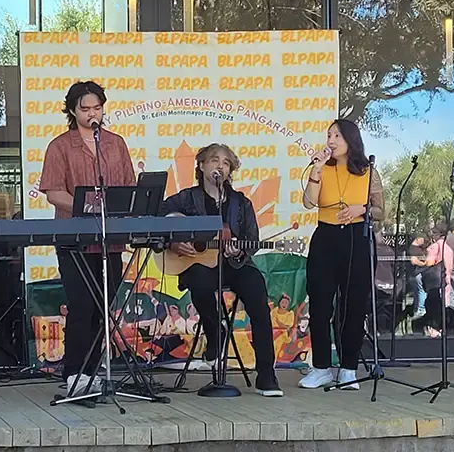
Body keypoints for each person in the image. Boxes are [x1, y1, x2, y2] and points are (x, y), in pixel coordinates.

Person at [159, 143, 282, 397]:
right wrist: (174, 242)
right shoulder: (185, 199)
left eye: (226, 163)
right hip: (199, 266)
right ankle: (216, 331)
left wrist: (238, 251)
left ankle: (266, 374)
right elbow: (157, 218)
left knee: (257, 291)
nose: (220, 166)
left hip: (235, 265)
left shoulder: (241, 203)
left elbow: (252, 239)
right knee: (199, 281)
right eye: (215, 160)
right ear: (202, 165)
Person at [39, 81, 136, 395]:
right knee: (81, 306)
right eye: (85, 109)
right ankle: (75, 374)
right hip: (74, 237)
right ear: (72, 111)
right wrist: (88, 206)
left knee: (102, 307)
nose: (92, 114)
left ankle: (93, 373)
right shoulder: (60, 146)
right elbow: (54, 193)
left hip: (110, 239)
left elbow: (129, 188)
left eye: (97, 108)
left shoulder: (116, 144)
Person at [300, 119, 384, 391]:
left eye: (337, 135)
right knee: (320, 306)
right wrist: (316, 170)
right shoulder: (323, 168)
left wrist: (362, 209)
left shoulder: (368, 171)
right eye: (328, 135)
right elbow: (308, 202)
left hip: (357, 238)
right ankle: (321, 368)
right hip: (326, 237)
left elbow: (381, 211)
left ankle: (348, 369)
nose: (331, 141)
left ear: (351, 139)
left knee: (353, 306)